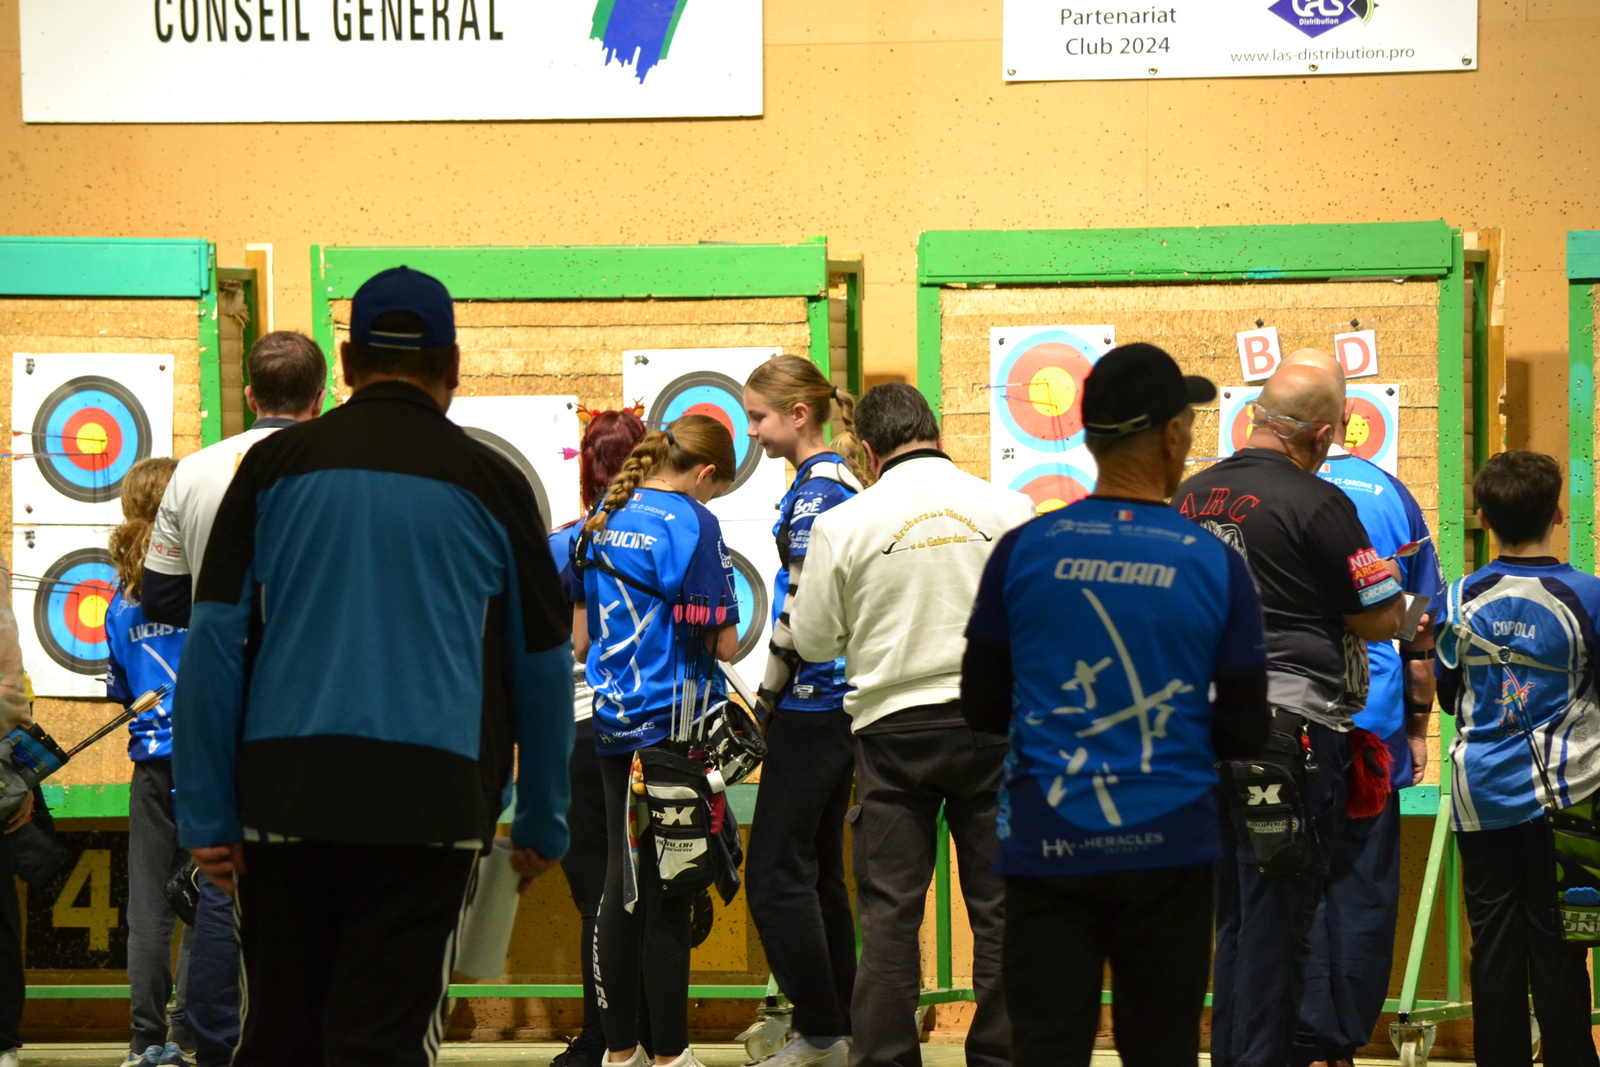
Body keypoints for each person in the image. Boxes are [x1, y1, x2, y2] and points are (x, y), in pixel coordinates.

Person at [171, 266, 576, 1067]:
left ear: (349, 364)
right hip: (432, 805)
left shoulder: (271, 470)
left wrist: (206, 814)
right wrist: (542, 819)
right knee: (385, 1044)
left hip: (285, 798)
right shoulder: (496, 484)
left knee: (280, 1037)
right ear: (453, 365)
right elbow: (542, 661)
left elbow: (213, 643)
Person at [962, 343, 1269, 1067]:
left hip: (1047, 838)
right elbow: (1246, 726)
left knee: (1045, 1048)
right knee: (1161, 1050)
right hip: (1171, 844)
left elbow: (982, 704)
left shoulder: (1023, 549)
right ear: (1172, 435)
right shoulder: (1213, 560)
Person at [789, 382, 1035, 1067]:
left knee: (891, 915)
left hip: (892, 732)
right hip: (994, 728)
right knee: (1001, 910)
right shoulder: (1011, 509)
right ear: (936, 431)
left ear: (869, 452)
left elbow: (813, 639)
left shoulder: (844, 523)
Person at [1173, 362, 1405, 1067]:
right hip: (1287, 735)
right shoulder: (1318, 502)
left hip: (1197, 734)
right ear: (1325, 434)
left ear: (1254, 416)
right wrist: (1398, 596)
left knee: (1236, 916)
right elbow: (1377, 618)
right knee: (1279, 925)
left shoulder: (1186, 496)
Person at [141, 329, 327, 1067]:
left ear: (250, 394)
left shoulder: (194, 471)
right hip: (317, 697)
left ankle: (215, 1048)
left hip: (224, 692)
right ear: (320, 399)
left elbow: (161, 596)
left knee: (224, 874)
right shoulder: (337, 467)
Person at [1285, 351, 1442, 1067]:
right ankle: (1340, 1041)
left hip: (1287, 728)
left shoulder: (1268, 493)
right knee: (1361, 885)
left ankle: (1300, 1036)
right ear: (1346, 420)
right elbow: (1420, 629)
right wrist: (1418, 728)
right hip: (1371, 729)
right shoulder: (1390, 494)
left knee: (1291, 879)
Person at [572, 414, 741, 1067]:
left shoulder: (603, 515)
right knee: (673, 886)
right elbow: (724, 643)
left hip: (613, 725)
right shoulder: (693, 522)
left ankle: (621, 1055)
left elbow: (582, 641)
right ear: (704, 473)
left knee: (621, 885)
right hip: (675, 726)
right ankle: (671, 1055)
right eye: (716, 488)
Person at [1435, 450, 1600, 1067]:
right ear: (1558, 513)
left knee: (1494, 952)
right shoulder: (1590, 596)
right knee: (1563, 951)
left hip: (1481, 801)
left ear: (1483, 517)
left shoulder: (1455, 599)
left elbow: (1449, 695)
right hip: (1571, 799)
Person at [740, 355, 865, 1067]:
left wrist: (765, 698)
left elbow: (797, 610)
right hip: (835, 707)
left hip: (812, 702)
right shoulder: (840, 481)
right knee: (817, 875)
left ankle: (821, 1031)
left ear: (798, 414)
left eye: (759, 417)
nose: (752, 432)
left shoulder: (817, 494)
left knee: (773, 877)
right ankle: (836, 1029)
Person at [548, 404, 649, 1067]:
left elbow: (558, 645)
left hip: (585, 731)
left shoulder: (566, 545)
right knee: (649, 892)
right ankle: (652, 1037)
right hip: (656, 728)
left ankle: (601, 1040)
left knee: (596, 893)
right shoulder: (672, 531)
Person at [106, 457, 193, 1067]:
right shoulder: (204, 582)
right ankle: (188, 1035)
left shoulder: (119, 603)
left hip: (153, 767)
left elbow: (121, 689)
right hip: (210, 761)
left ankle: (145, 1042)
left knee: (149, 911)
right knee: (207, 896)